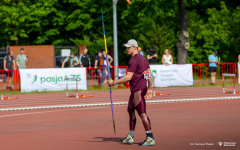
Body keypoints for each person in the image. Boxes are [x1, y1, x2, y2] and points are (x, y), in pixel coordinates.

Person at [107, 39, 155, 146]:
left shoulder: (133, 60)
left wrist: (113, 82)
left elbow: (128, 77)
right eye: (126, 47)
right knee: (130, 110)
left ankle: (150, 137)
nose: (127, 49)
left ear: (134, 47)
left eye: (129, 47)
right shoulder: (143, 58)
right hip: (139, 89)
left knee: (142, 113)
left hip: (137, 90)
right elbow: (149, 74)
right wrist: (150, 88)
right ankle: (131, 136)